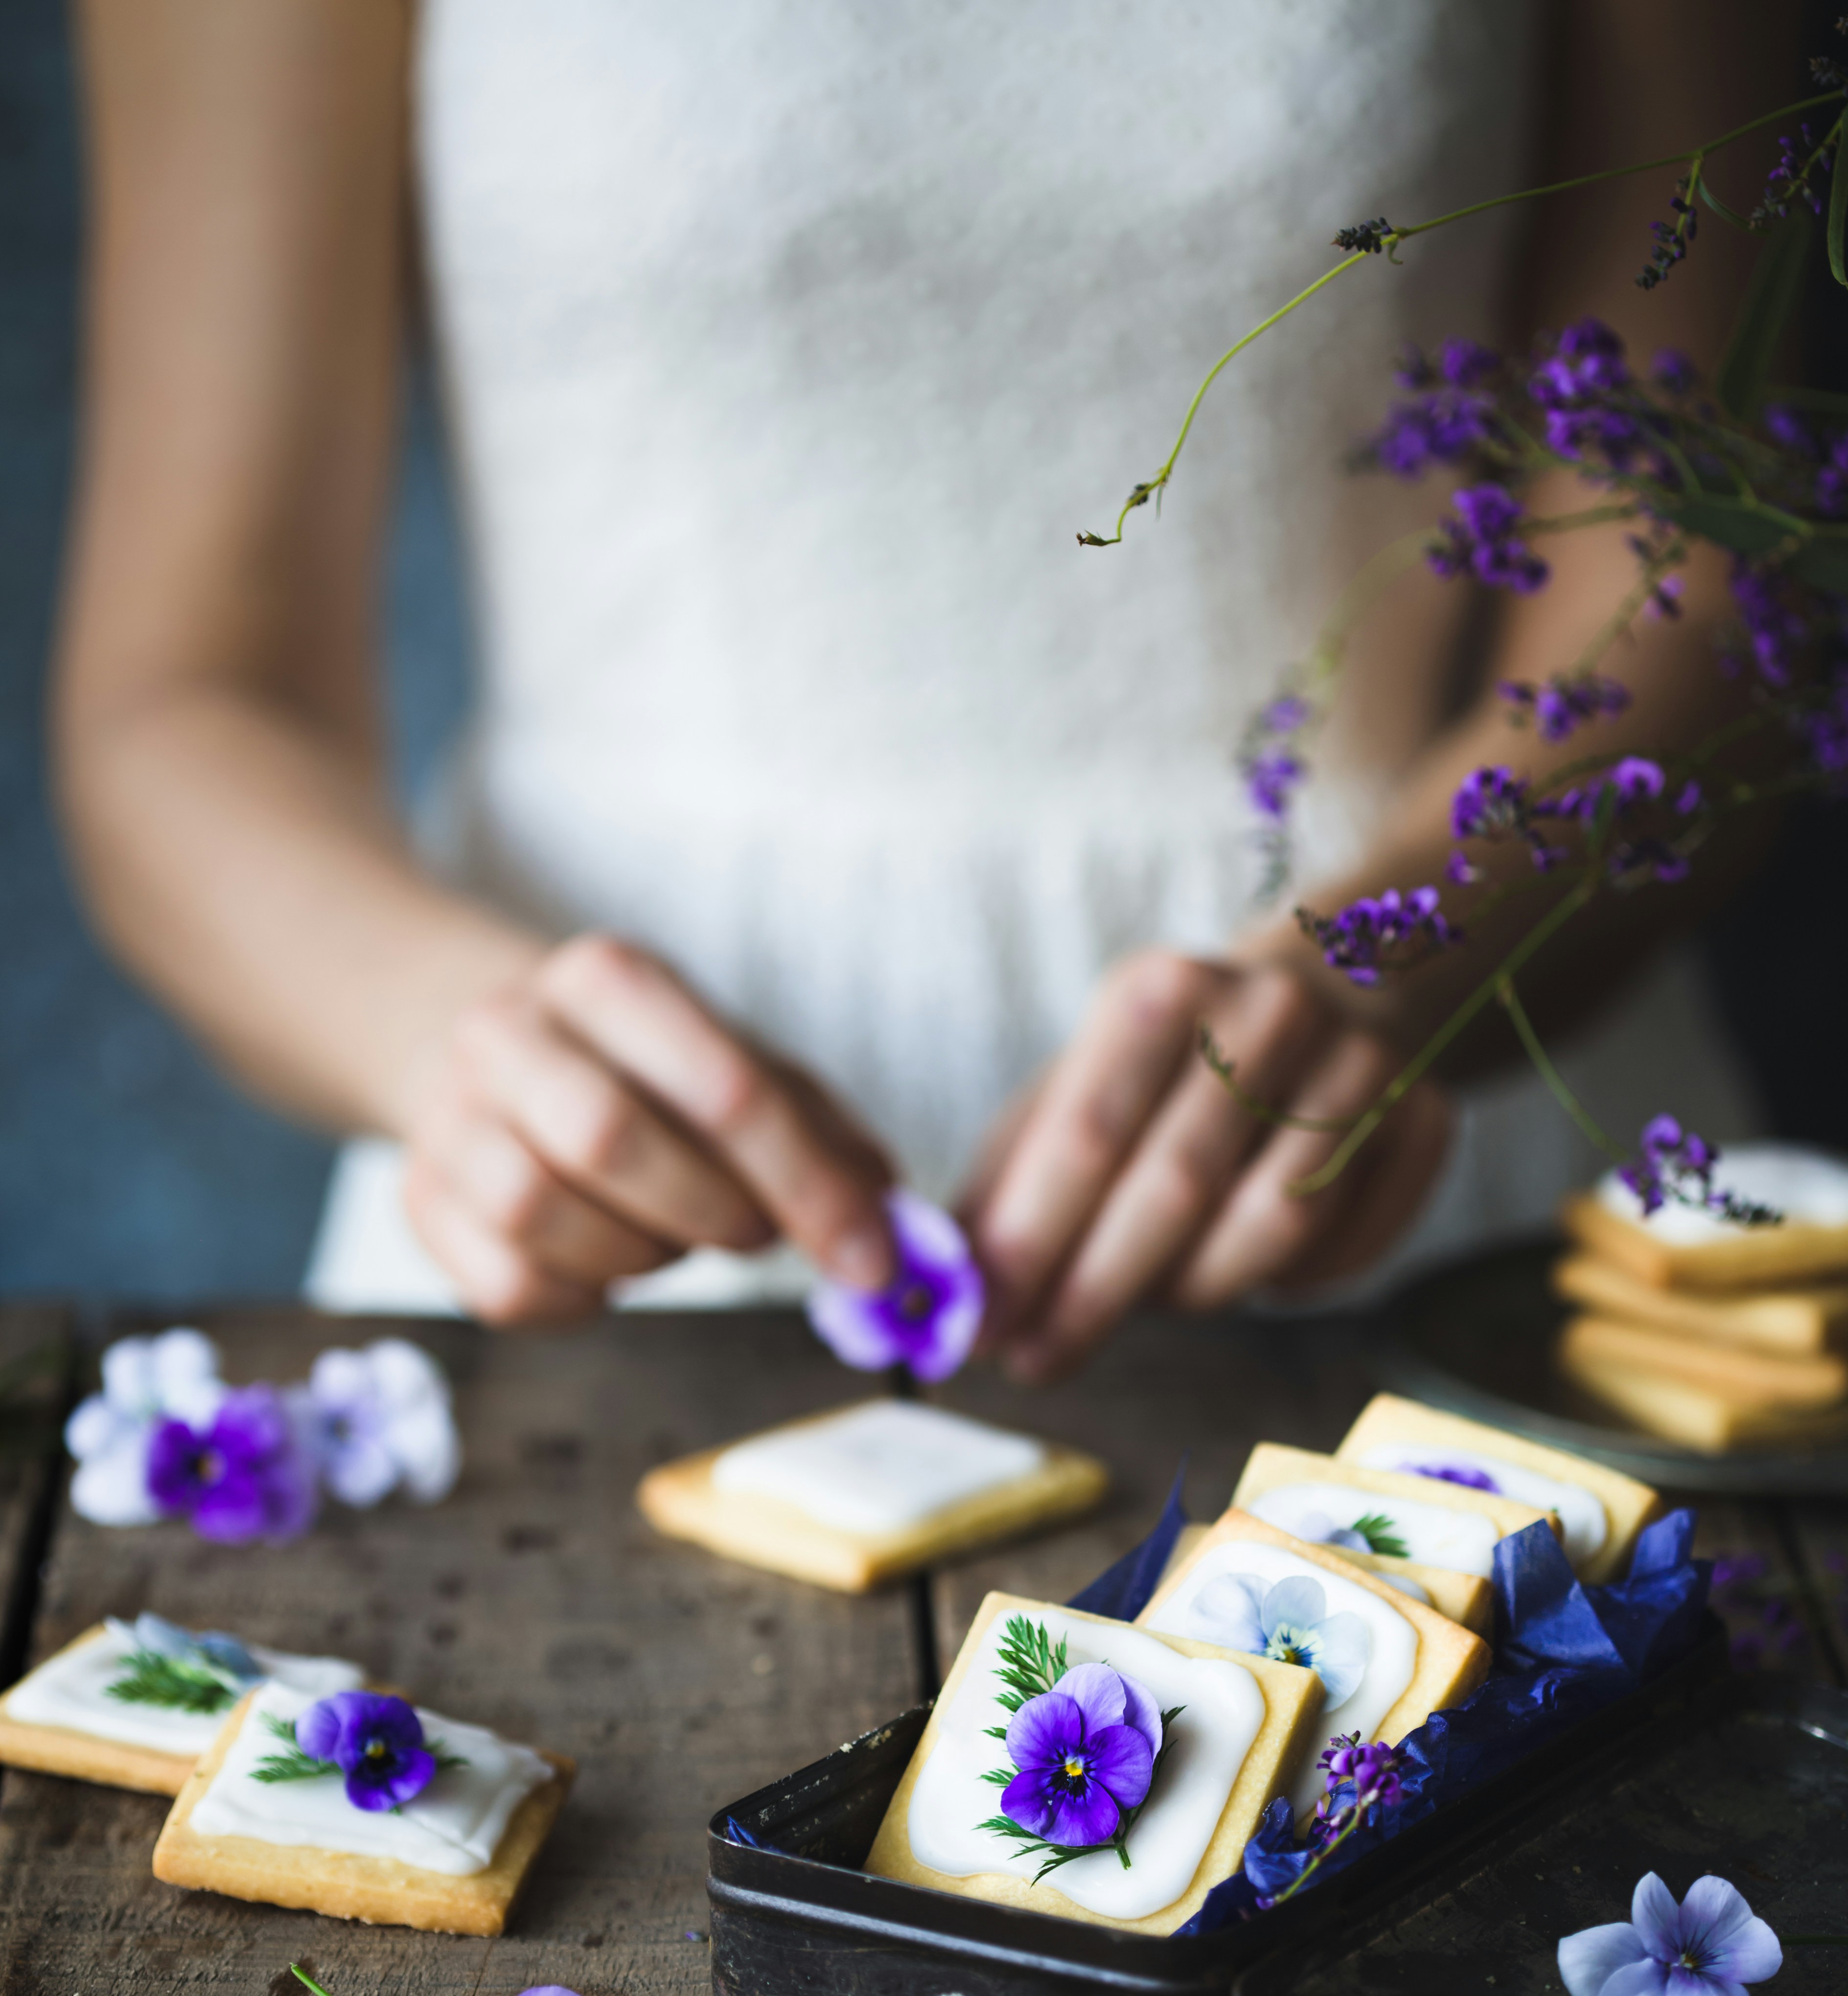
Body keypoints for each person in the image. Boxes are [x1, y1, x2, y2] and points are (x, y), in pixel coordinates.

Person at [54, 0, 1788, 1378]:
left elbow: (1692, 571)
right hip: (605, 1248)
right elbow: (185, 699)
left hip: (1435, 1107)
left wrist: (1403, 962)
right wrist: (445, 1036)